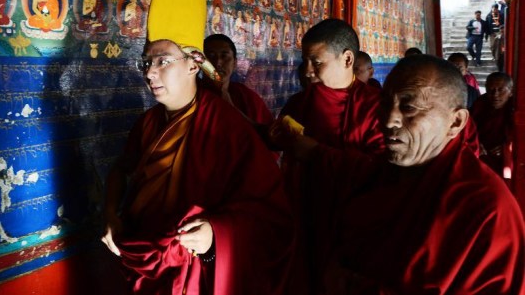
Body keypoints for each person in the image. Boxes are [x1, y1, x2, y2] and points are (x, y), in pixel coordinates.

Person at [102, 0, 292, 295]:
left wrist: (217, 233)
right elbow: (121, 170)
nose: (149, 73)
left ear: (194, 65)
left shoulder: (226, 125)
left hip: (195, 268)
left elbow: (270, 211)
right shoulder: (147, 123)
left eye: (162, 61)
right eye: (146, 62)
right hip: (144, 257)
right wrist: (111, 215)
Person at [280, 55, 525, 294]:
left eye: (409, 107)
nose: (389, 120)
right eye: (385, 103)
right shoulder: (381, 175)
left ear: (455, 122)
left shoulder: (486, 208)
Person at [271, 19, 385, 295]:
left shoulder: (376, 107)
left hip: (353, 226)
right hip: (302, 219)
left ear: (347, 59)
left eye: (316, 62)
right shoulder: (300, 103)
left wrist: (316, 153)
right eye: (305, 61)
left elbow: (383, 171)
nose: (307, 71)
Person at [203, 34, 273, 129]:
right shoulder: (190, 95)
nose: (218, 63)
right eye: (210, 56)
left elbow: (266, 134)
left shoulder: (248, 98)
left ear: (235, 63)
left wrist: (230, 106)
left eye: (224, 56)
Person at [471, 72, 514, 180]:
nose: (495, 94)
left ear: (511, 91)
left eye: (500, 90)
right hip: (481, 155)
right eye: (490, 90)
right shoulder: (480, 104)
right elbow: (469, 129)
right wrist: (476, 143)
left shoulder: (516, 107)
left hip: (506, 160)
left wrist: (508, 146)